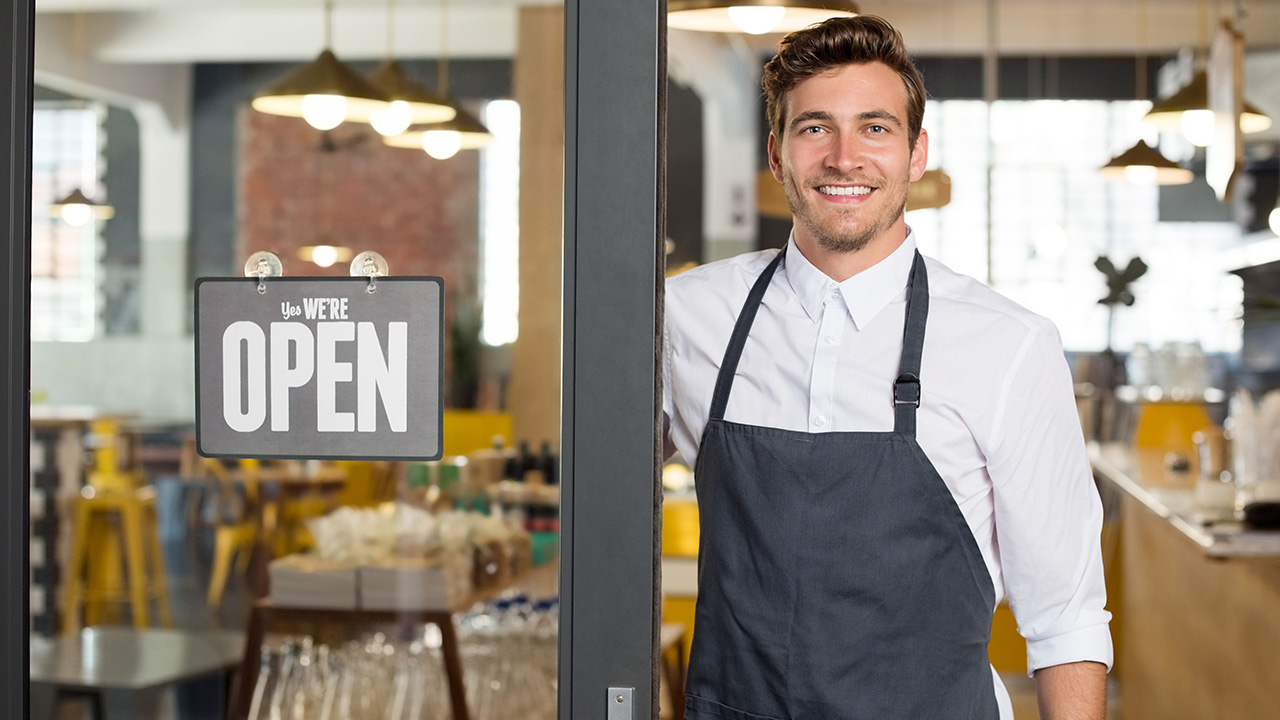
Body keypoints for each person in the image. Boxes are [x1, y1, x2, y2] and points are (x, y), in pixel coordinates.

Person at [662, 14, 1112, 720]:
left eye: (875, 128)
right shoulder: (683, 318)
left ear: (915, 152)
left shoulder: (1007, 345)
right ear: (777, 155)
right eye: (814, 128)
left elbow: (1066, 617)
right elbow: (608, 513)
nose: (845, 157)